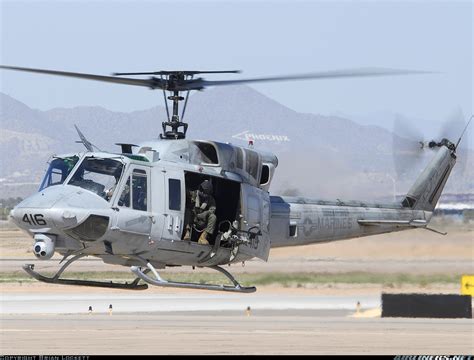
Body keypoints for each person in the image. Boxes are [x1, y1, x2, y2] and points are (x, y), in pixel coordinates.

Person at [183, 179, 216, 245]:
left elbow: (212, 210)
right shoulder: (193, 194)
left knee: (213, 217)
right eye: (202, 191)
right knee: (188, 212)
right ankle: (187, 233)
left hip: (202, 221)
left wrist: (205, 213)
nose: (203, 193)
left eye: (206, 192)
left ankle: (203, 237)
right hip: (192, 218)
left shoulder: (211, 200)